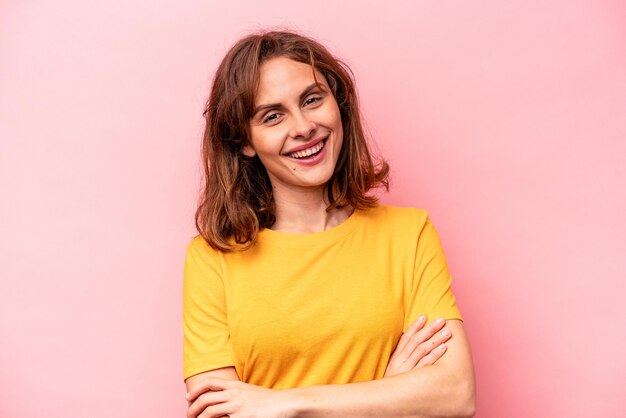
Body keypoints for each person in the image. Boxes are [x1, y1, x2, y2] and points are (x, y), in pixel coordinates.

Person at [182, 30, 475, 418]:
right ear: (244, 141)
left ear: (337, 105)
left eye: (312, 100)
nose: (303, 127)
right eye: (272, 116)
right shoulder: (211, 259)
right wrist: (391, 393)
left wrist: (288, 404)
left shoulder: (409, 235)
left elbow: (456, 393)